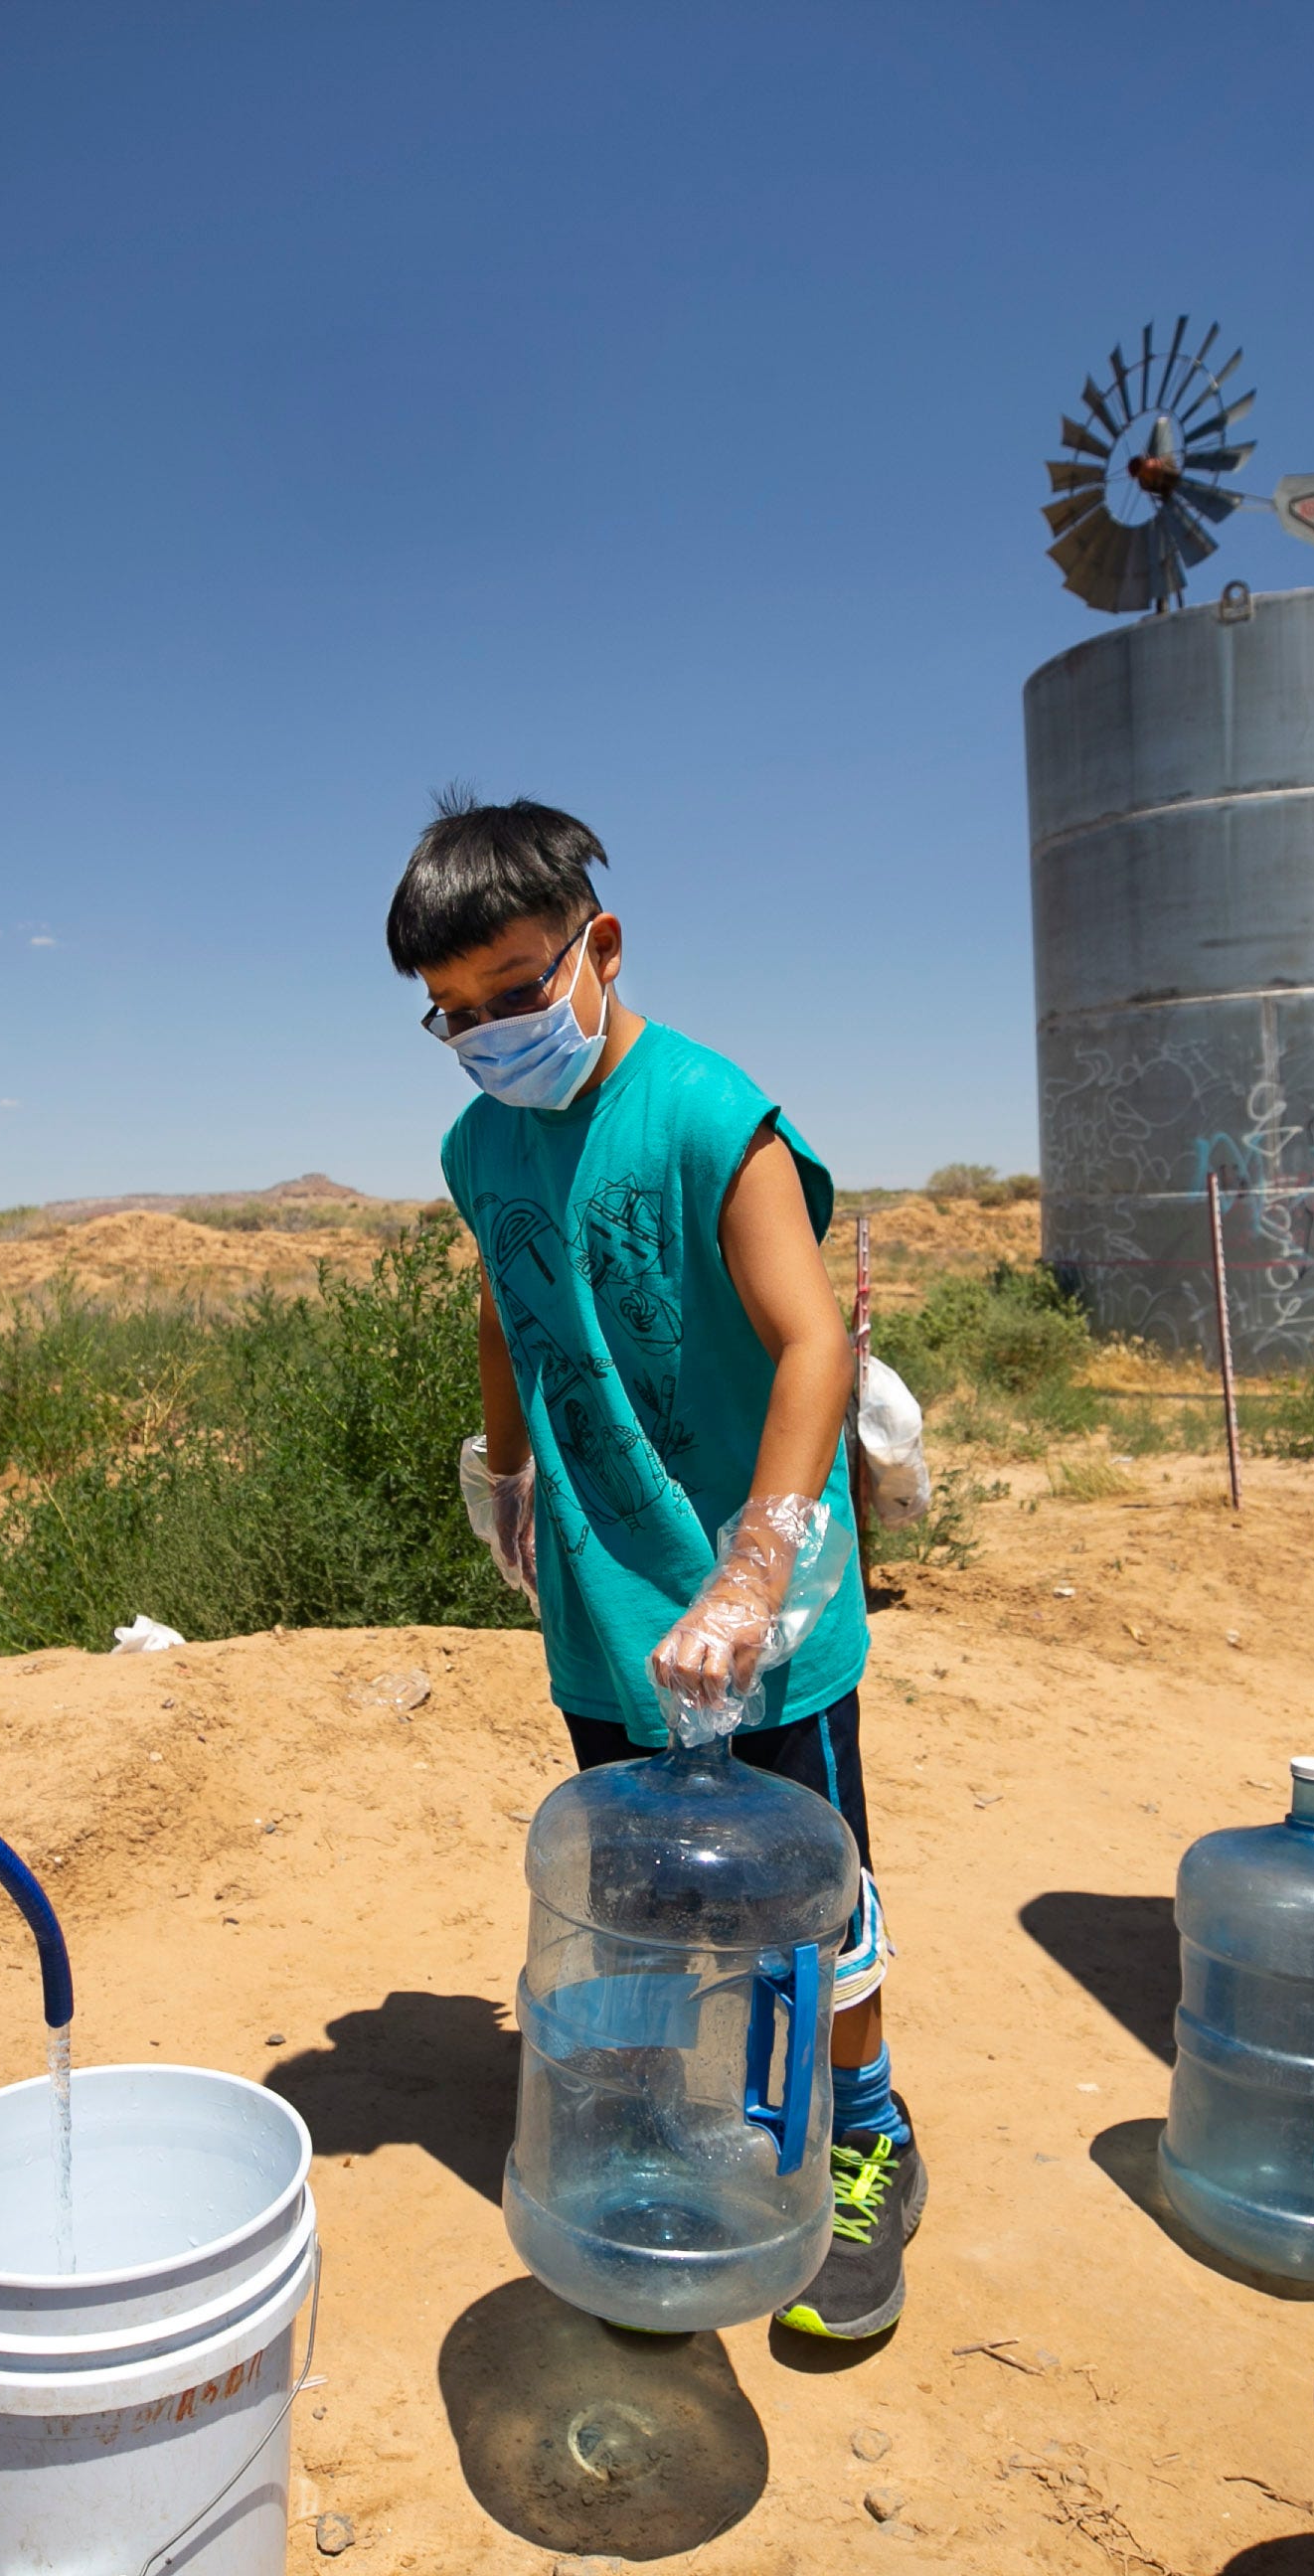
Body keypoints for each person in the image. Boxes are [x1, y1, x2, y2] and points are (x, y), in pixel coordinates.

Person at [394, 796, 928, 2339]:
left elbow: (813, 1340)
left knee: (814, 1897)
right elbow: (508, 1300)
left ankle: (870, 2141)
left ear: (596, 947)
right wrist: (502, 1467)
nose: (492, 1032)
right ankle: (648, 2138)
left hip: (766, 1603)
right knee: (632, 1890)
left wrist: (759, 1567)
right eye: (454, 1017)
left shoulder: (710, 1112)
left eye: (514, 990)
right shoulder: (476, 1141)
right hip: (605, 1596)